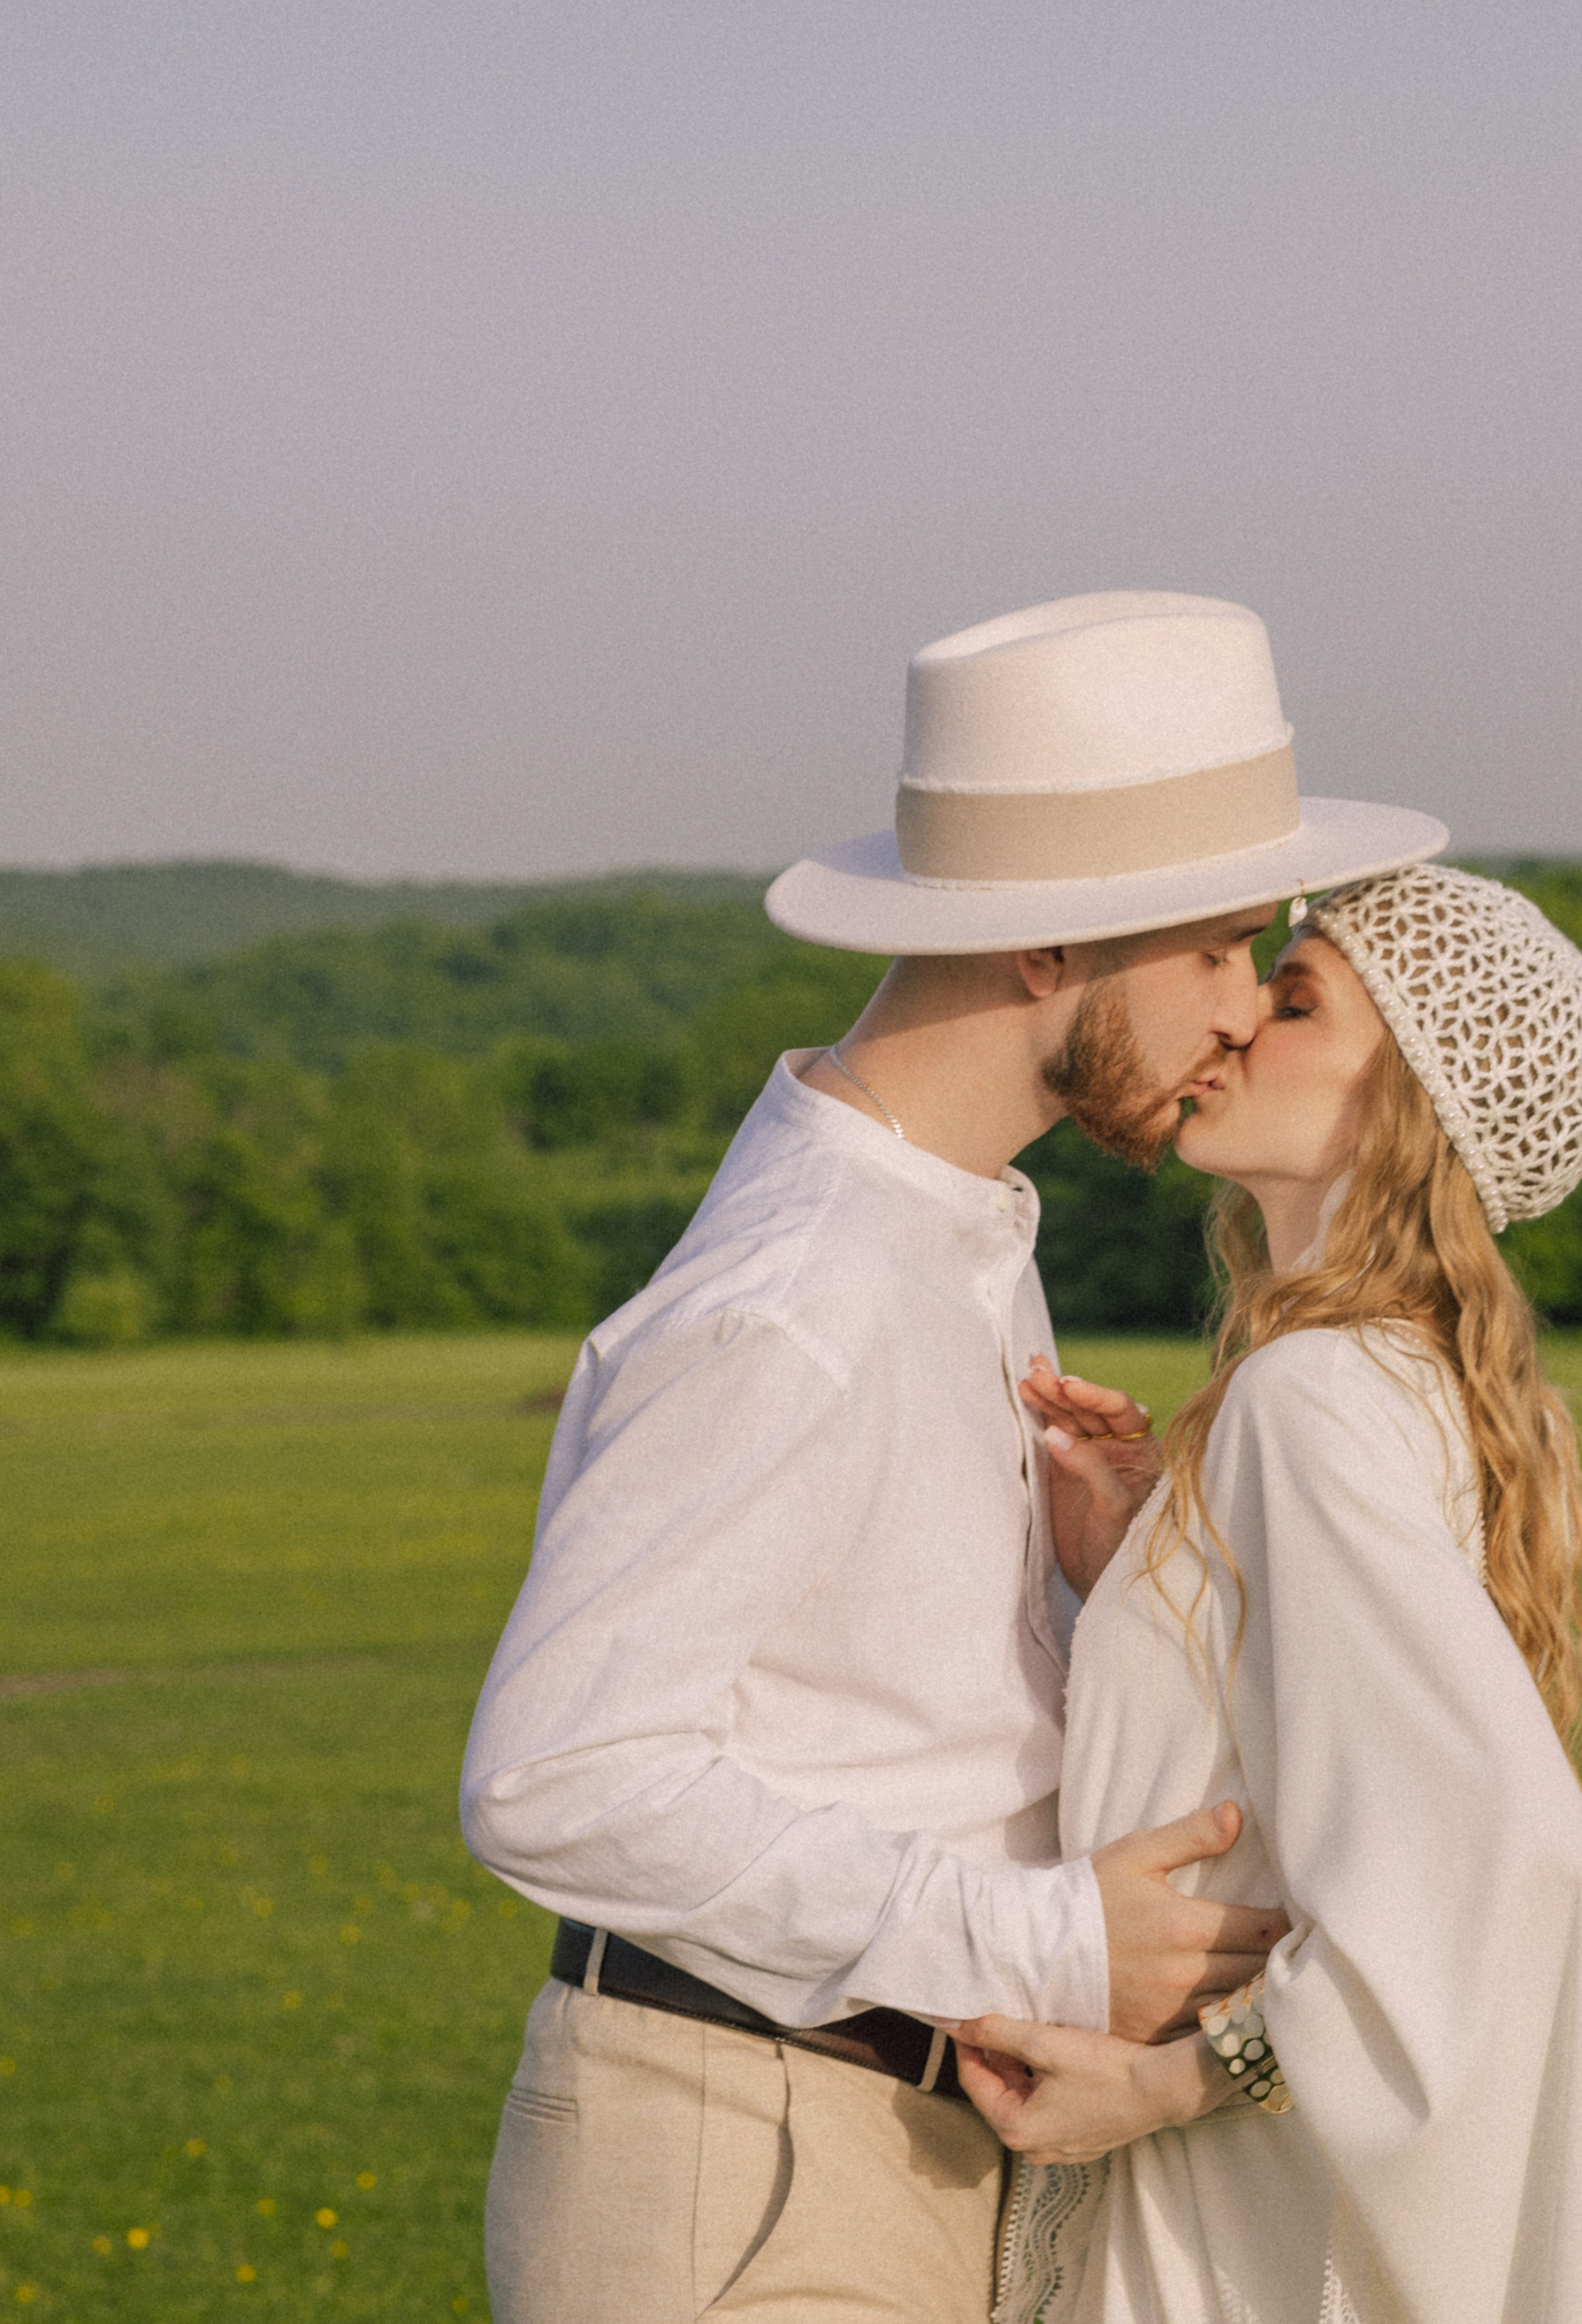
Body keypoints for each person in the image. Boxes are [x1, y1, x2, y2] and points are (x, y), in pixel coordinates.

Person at [460, 591, 1449, 2324]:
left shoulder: (953, 1238)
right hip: (743, 2167)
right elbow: (557, 1774)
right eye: (1216, 948)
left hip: (888, 2149)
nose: (1242, 1014)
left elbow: (889, 1710)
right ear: (1050, 947)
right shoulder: (800, 1297)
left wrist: (1119, 1592)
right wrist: (1048, 1943)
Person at [955, 859, 1582, 2324]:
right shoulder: (1379, 1380)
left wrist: (1167, 2080)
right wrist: (1132, 1573)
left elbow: (1500, 1843)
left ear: (1405, 1104)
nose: (1244, 1013)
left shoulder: (1314, 1397)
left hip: (1235, 2235)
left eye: (1300, 995)